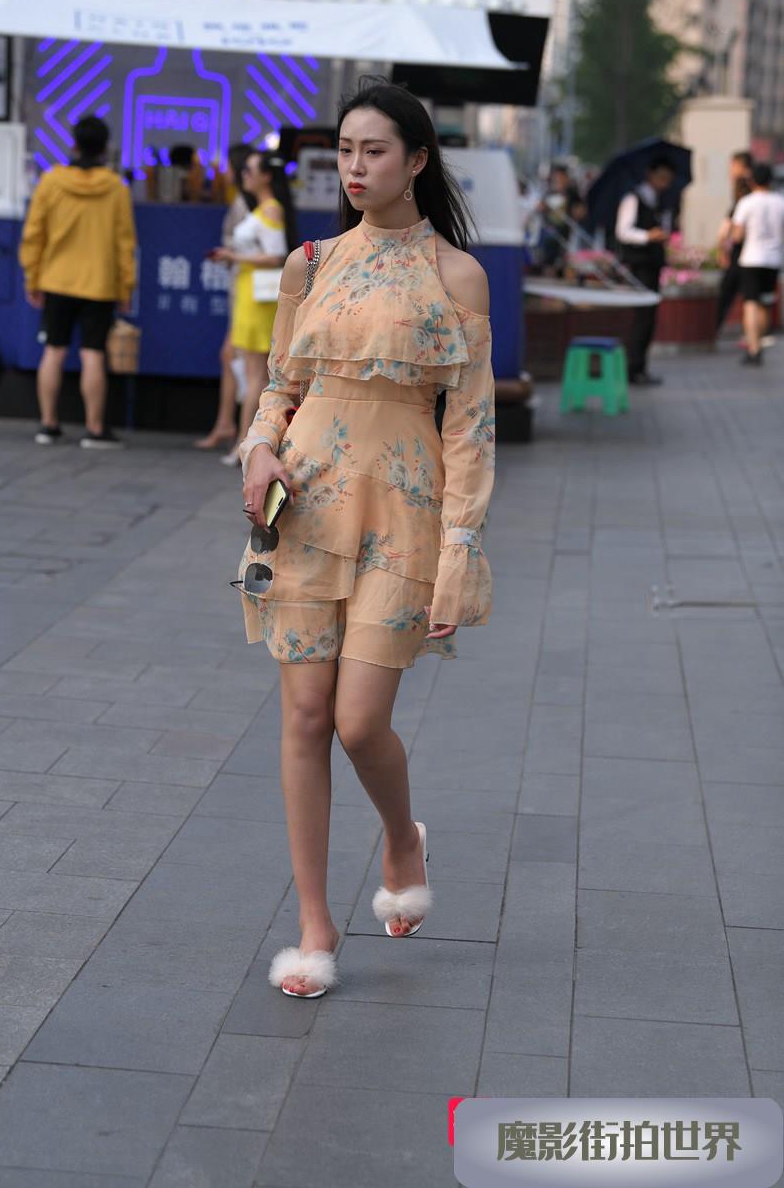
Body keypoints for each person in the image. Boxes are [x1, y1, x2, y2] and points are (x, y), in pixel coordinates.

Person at [235, 79, 494, 998]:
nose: (354, 166)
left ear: (416, 160)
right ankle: (314, 926)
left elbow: (469, 425)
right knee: (305, 717)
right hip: (304, 507)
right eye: (344, 149)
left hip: (405, 514)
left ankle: (398, 837)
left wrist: (459, 545)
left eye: (373, 150)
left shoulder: (457, 276)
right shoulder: (307, 264)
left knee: (357, 722)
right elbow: (280, 384)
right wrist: (259, 447)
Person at [19, 115, 137, 448]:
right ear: (104, 149)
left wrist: (32, 278)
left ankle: (48, 425)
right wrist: (125, 287)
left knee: (53, 350)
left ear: (73, 145)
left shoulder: (51, 182)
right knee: (93, 354)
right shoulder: (116, 187)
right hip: (99, 284)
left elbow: (34, 234)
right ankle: (95, 429)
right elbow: (125, 242)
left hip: (56, 280)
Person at [213, 151, 296, 467]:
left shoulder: (271, 209)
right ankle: (247, 442)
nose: (244, 175)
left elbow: (276, 255)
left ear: (266, 176)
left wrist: (234, 257)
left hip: (258, 296)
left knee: (255, 374)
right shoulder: (264, 208)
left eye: (249, 170)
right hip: (250, 294)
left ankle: (247, 443)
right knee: (252, 372)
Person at [194, 144, 255, 451]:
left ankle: (244, 434)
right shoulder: (244, 201)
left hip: (250, 291)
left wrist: (230, 254)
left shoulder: (251, 204)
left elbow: (263, 251)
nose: (225, 172)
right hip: (242, 288)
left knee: (242, 360)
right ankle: (228, 424)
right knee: (232, 355)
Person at [615, 156, 677, 385]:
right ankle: (633, 367)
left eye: (668, 180)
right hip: (639, 263)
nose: (664, 183)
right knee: (642, 317)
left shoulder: (660, 202)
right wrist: (647, 236)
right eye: (661, 178)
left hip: (653, 263)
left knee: (649, 317)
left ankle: (640, 366)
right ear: (650, 175)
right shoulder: (633, 198)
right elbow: (623, 231)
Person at [726, 163, 784, 367]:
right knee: (765, 303)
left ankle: (754, 348)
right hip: (773, 259)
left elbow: (737, 235)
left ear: (752, 181)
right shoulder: (780, 202)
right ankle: (759, 342)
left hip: (751, 259)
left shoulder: (746, 202)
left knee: (750, 303)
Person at [715, 151, 753, 334]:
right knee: (752, 299)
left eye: (733, 166)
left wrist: (723, 248)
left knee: (728, 294)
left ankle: (712, 329)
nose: (730, 171)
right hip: (752, 254)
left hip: (743, 252)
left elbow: (731, 230)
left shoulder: (746, 191)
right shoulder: (753, 189)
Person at [537, 163, 587, 276]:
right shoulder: (549, 192)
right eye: (555, 176)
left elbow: (581, 210)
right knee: (548, 249)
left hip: (564, 230)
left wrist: (576, 211)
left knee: (560, 252)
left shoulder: (572, 193)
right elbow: (540, 207)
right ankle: (548, 270)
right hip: (549, 229)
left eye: (560, 176)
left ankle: (555, 271)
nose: (557, 179)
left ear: (566, 177)